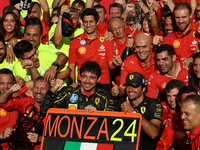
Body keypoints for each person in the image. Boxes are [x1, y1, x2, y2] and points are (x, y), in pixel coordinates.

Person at [68, 8, 121, 92]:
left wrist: (116, 64)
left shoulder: (107, 40)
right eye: (86, 22)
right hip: (83, 82)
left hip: (102, 83)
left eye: (91, 21)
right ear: (82, 23)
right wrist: (73, 83)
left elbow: (111, 66)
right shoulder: (75, 42)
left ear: (97, 22)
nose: (88, 25)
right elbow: (71, 67)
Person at [40, 61, 114, 115]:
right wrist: (52, 91)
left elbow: (111, 121)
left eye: (92, 78)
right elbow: (44, 110)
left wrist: (97, 112)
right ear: (79, 77)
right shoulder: (68, 92)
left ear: (98, 79)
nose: (87, 81)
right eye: (84, 77)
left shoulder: (105, 97)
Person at [114, 72, 163, 150]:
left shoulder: (153, 104)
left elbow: (153, 133)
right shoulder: (120, 102)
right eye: (128, 86)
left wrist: (134, 113)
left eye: (135, 86)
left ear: (143, 89)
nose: (130, 90)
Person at [0, 76, 50, 150]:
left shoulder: (55, 107)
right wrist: (10, 91)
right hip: (22, 146)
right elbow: (2, 102)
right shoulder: (26, 100)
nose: (38, 91)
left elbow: (60, 140)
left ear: (49, 90)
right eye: (36, 87)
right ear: (32, 89)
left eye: (43, 88)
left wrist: (40, 139)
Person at [156, 86, 197, 150]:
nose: (190, 105)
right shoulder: (174, 118)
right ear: (180, 104)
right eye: (186, 101)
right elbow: (164, 142)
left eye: (194, 101)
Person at [0, 69, 28, 149]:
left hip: (18, 146)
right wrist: (1, 134)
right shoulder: (11, 92)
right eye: (1, 83)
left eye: (9, 83)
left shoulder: (18, 96)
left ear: (14, 84)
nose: (5, 87)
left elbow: (37, 83)